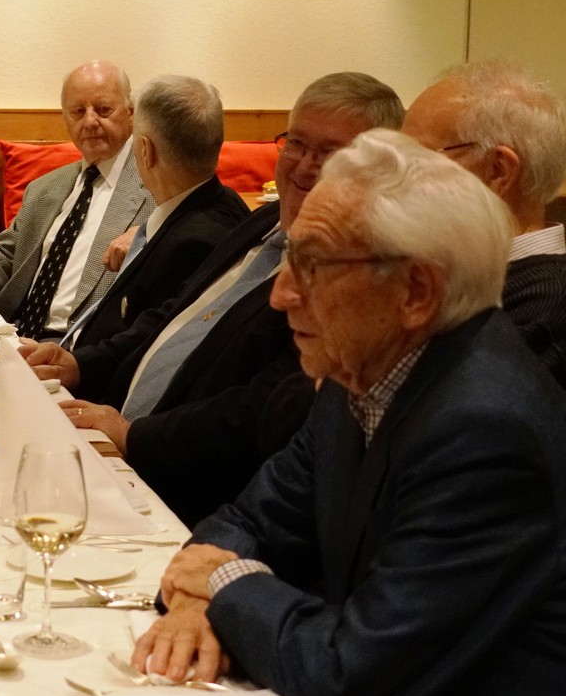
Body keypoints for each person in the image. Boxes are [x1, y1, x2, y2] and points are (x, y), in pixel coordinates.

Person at [135, 131, 566, 696]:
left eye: (312, 265)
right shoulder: (362, 376)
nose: (280, 293)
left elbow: (346, 674)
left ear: (416, 293)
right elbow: (247, 517)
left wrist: (226, 583)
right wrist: (198, 599)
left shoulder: (485, 429)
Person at [30, 72, 405, 526]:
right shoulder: (261, 221)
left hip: (183, 489)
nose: (305, 165)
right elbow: (172, 315)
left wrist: (134, 437)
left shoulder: (359, 275)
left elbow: (264, 407)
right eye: (297, 144)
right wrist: (79, 365)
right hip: (117, 448)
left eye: (330, 153)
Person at [402, 60, 566, 461]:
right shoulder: (473, 282)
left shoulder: (548, 312)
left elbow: (432, 449)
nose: (395, 179)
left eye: (415, 158)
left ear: (497, 171)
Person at [0, 60, 152, 340]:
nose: (90, 122)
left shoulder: (155, 184)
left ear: (130, 113)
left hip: (81, 343)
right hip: (13, 332)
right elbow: (8, 253)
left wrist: (147, 234)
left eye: (103, 109)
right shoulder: (46, 187)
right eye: (78, 112)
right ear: (65, 119)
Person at [59, 74, 249, 351]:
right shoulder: (226, 203)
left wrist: (75, 364)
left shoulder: (191, 244)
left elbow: (143, 344)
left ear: (145, 151)